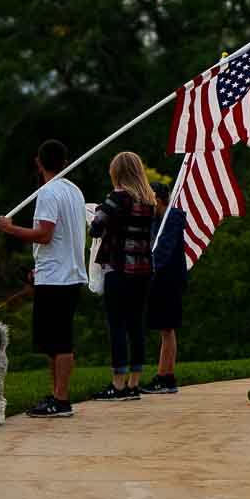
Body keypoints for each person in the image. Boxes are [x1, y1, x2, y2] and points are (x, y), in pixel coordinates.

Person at [0, 138, 86, 418]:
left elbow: (44, 234)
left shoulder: (48, 193)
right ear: (65, 162)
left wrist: (9, 229)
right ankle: (57, 395)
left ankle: (61, 399)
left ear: (38, 162)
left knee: (59, 341)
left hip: (57, 277)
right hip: (64, 273)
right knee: (53, 342)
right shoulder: (74, 191)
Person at [89, 151, 156, 401]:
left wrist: (97, 211)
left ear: (117, 173)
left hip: (120, 269)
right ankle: (133, 383)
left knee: (116, 326)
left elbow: (96, 228)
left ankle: (117, 385)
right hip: (143, 271)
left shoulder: (118, 197)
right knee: (136, 325)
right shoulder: (148, 200)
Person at [139, 180, 187, 394]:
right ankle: (166, 375)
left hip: (168, 279)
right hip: (161, 279)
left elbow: (162, 252)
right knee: (165, 329)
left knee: (167, 328)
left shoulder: (171, 218)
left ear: (158, 200)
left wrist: (147, 269)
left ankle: (164, 376)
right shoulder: (157, 220)